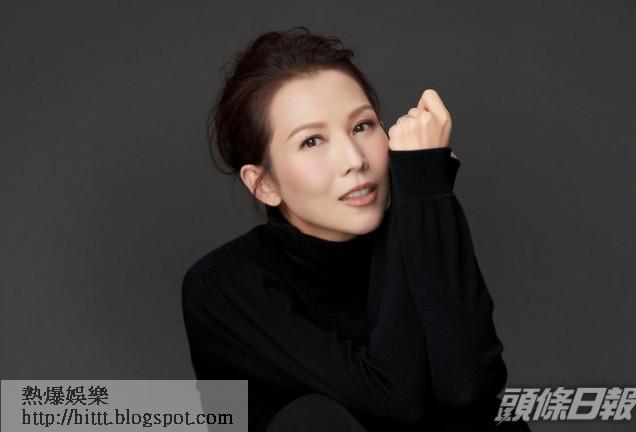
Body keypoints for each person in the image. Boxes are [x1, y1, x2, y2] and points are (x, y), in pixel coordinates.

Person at [182, 26, 530, 432]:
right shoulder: (226, 285)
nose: (354, 160)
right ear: (264, 184)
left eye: (362, 126)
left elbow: (470, 391)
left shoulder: (419, 220)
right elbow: (395, 401)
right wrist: (420, 186)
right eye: (312, 141)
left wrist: (425, 192)